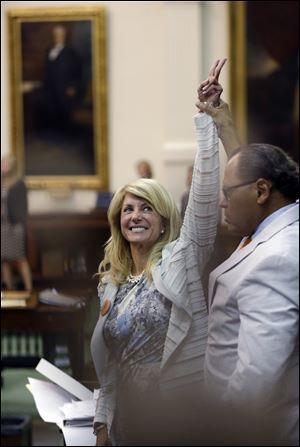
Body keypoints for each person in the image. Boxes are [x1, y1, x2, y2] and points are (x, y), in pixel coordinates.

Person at [90, 59, 230, 446]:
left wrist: (206, 120)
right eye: (128, 209)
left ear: (165, 219)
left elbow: (203, 193)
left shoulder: (181, 260)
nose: (136, 216)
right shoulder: (111, 283)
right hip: (127, 425)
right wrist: (102, 426)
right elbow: (110, 369)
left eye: (146, 207)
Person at [197, 77, 299, 445]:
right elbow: (249, 174)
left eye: (227, 194)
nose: (222, 202)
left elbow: (257, 376)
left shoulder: (278, 257)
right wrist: (222, 122)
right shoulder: (275, 224)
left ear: (261, 191)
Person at [37, 24, 82, 135]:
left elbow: (77, 71)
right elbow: (47, 70)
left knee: (64, 109)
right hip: (51, 87)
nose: (58, 37)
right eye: (56, 35)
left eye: (61, 35)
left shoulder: (71, 51)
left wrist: (73, 86)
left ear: (64, 36)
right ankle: (55, 132)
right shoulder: (49, 50)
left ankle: (65, 133)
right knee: (51, 108)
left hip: (64, 87)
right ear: (53, 36)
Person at [1, 154, 32, 291]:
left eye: (5, 164)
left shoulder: (19, 184)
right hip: (2, 225)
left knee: (19, 258)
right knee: (4, 259)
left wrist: (18, 220)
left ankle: (29, 288)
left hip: (15, 226)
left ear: (12, 166)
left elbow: (22, 207)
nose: (2, 166)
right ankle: (8, 289)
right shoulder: (2, 182)